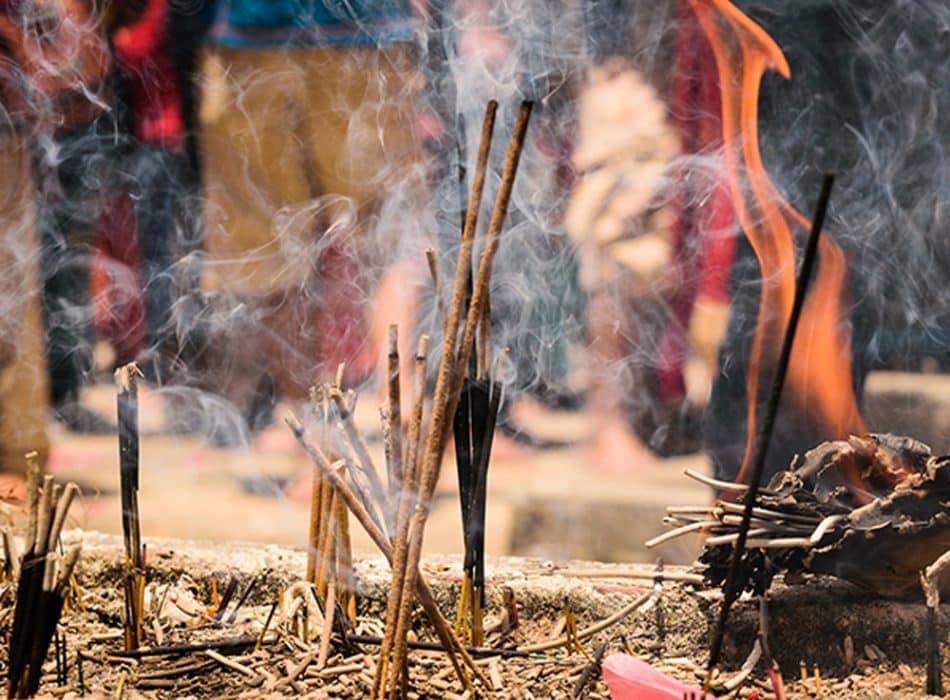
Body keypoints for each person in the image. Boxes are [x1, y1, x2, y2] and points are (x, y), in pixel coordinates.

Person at [196, 1, 424, 444]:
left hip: (363, 33)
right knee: (272, 243)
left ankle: (403, 413)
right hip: (253, 39)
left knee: (389, 228)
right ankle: (307, 426)